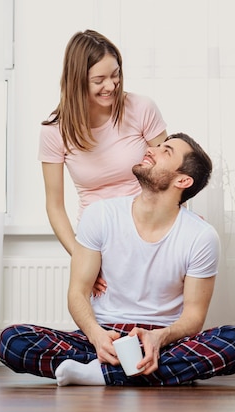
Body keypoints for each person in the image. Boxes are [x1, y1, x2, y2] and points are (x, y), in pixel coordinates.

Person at [0, 133, 235, 386]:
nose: (152, 150)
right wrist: (97, 337)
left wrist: (159, 338)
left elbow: (194, 317)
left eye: (166, 152)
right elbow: (77, 293)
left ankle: (97, 374)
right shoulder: (100, 214)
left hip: (162, 342)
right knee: (12, 340)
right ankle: (147, 372)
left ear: (183, 180)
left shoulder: (201, 236)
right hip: (103, 335)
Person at [39, 29, 168, 295]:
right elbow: (54, 206)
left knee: (155, 323)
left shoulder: (141, 108)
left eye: (115, 75)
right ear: (77, 81)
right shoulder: (55, 131)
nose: (110, 86)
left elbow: (169, 171)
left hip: (150, 229)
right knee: (107, 327)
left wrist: (178, 227)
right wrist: (81, 256)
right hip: (99, 241)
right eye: (99, 79)